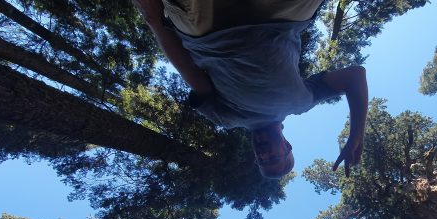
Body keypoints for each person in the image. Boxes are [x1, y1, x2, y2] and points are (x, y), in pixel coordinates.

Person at [132, 0, 368, 178]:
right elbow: (355, 76)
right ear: (287, 146)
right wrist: (356, 133)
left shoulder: (226, 117)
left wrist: (154, 21)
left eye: (261, 160)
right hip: (282, 16)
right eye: (274, 157)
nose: (264, 154)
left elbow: (190, 72)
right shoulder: (303, 103)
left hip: (209, 27)